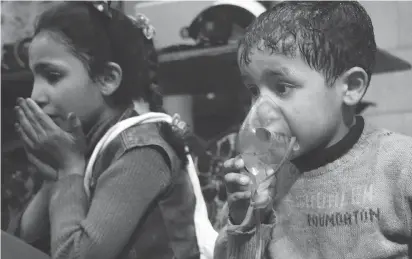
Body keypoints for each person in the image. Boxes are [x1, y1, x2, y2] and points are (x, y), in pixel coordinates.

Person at [215, 1, 412, 259]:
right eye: (254, 91)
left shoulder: (400, 167)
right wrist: (244, 218)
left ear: (351, 87)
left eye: (282, 87)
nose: (260, 111)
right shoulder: (264, 175)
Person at [14, 2, 204, 258]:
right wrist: (54, 177)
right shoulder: (83, 141)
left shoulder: (142, 151)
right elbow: (22, 243)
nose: (35, 96)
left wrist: (70, 171)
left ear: (107, 79)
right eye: (33, 79)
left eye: (53, 76)